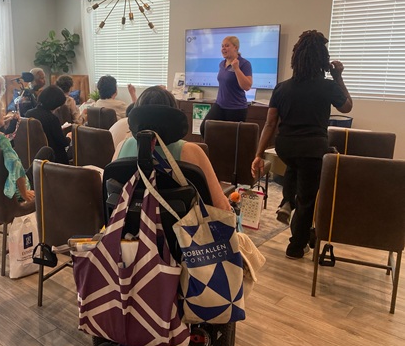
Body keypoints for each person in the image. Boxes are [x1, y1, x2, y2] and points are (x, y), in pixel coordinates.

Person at [251, 30, 352, 260]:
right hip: (313, 149)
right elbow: (347, 107)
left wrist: (258, 154)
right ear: (322, 60)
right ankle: (295, 247)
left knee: (294, 170)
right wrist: (338, 76)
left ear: (296, 57)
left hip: (285, 147)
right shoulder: (327, 86)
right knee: (307, 199)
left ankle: (287, 200)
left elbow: (269, 124)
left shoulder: (282, 87)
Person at [114, 86, 231, 212]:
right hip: (182, 231)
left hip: (128, 230)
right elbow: (221, 208)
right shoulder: (192, 152)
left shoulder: (122, 147)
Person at [200, 36, 253, 136]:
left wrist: (236, 69)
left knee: (231, 139)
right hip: (220, 105)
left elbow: (247, 86)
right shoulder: (222, 64)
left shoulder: (244, 64)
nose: (223, 48)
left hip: (236, 108)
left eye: (227, 46)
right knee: (205, 129)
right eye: (222, 46)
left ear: (236, 47)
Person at [26, 85, 70, 165]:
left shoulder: (29, 113)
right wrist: (69, 137)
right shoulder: (52, 119)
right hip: (52, 157)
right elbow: (62, 142)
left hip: (33, 155)